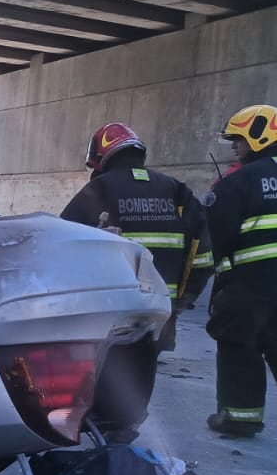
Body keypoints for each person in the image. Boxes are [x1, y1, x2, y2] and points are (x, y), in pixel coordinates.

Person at [60, 123, 211, 440]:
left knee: (103, 363)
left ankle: (102, 423)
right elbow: (202, 254)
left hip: (111, 306)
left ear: (102, 158)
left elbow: (63, 242)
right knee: (144, 360)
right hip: (160, 306)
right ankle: (126, 423)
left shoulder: (100, 189)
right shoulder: (176, 190)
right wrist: (184, 298)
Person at [203, 104, 277, 437]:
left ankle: (240, 418)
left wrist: (220, 281)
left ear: (260, 137)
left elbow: (217, 238)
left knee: (239, 343)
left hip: (250, 285)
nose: (234, 147)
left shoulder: (239, 181)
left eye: (239, 139)